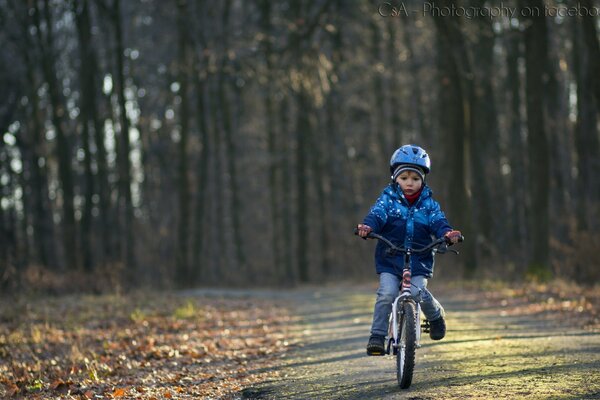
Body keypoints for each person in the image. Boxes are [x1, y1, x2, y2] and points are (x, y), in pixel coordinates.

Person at [357, 144, 462, 356]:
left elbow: (438, 222)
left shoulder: (429, 205)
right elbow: (377, 215)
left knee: (417, 292)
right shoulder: (387, 200)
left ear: (422, 180)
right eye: (404, 178)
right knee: (386, 294)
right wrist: (368, 227)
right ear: (395, 178)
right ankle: (377, 336)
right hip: (390, 256)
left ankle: (435, 317)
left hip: (419, 257)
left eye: (415, 178)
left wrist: (448, 233)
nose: (409, 183)